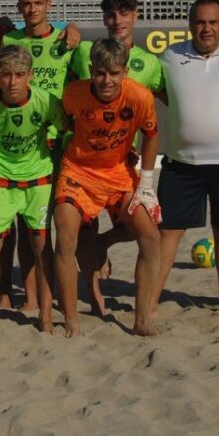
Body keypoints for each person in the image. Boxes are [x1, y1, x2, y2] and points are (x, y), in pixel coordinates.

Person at [152, 0, 219, 314]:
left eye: (213, 22)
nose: (206, 28)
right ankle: (149, 300)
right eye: (200, 22)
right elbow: (150, 83)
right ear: (190, 25)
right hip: (182, 164)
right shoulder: (170, 56)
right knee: (167, 233)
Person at [54, 38, 162, 337]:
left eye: (114, 73)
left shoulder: (140, 96)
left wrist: (147, 183)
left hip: (118, 174)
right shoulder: (74, 94)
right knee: (65, 237)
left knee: (150, 237)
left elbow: (152, 135)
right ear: (91, 70)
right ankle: (71, 318)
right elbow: (62, 123)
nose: (107, 80)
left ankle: (142, 320)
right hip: (78, 172)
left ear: (125, 71)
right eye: (100, 73)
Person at [0, 45, 65, 336]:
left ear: (30, 76)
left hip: (38, 180)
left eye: (19, 75)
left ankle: (46, 314)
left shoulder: (47, 102)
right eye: (6, 75)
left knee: (42, 246)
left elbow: (64, 131)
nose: (12, 82)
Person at [0, 0, 77, 312]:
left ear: (49, 5)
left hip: (58, 142)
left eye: (38, 3)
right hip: (23, 145)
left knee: (60, 223)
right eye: (26, 4)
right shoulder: (8, 39)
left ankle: (58, 291)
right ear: (19, 7)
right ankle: (32, 297)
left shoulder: (66, 40)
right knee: (28, 225)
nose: (32, 9)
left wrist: (74, 27)